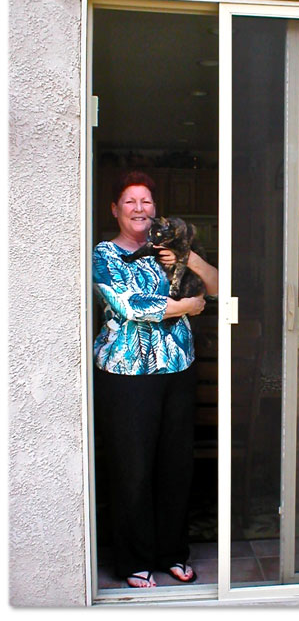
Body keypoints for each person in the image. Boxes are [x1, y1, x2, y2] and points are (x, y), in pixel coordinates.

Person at [93, 171, 218, 588]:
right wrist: (189, 305)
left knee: (175, 466)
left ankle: (171, 553)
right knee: (133, 468)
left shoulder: (169, 249)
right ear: (115, 209)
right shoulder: (103, 255)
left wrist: (188, 259)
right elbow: (131, 306)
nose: (140, 209)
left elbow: (218, 287)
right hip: (127, 375)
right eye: (130, 201)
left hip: (176, 370)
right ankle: (134, 560)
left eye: (146, 201)